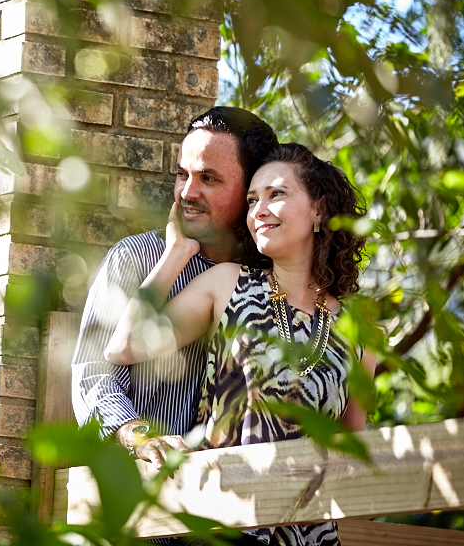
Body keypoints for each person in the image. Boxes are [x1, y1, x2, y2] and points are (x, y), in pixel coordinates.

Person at [105, 143, 376, 546]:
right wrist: (177, 252)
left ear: (318, 210)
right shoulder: (228, 284)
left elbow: (350, 460)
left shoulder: (360, 333)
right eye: (252, 200)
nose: (259, 211)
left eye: (276, 194)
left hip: (310, 537)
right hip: (223, 525)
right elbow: (123, 347)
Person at [70, 107, 279, 468]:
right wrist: (140, 437)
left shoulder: (270, 278)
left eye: (209, 179)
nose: (187, 192)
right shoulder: (136, 257)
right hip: (148, 486)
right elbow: (93, 375)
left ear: (251, 191)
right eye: (183, 174)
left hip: (240, 496)